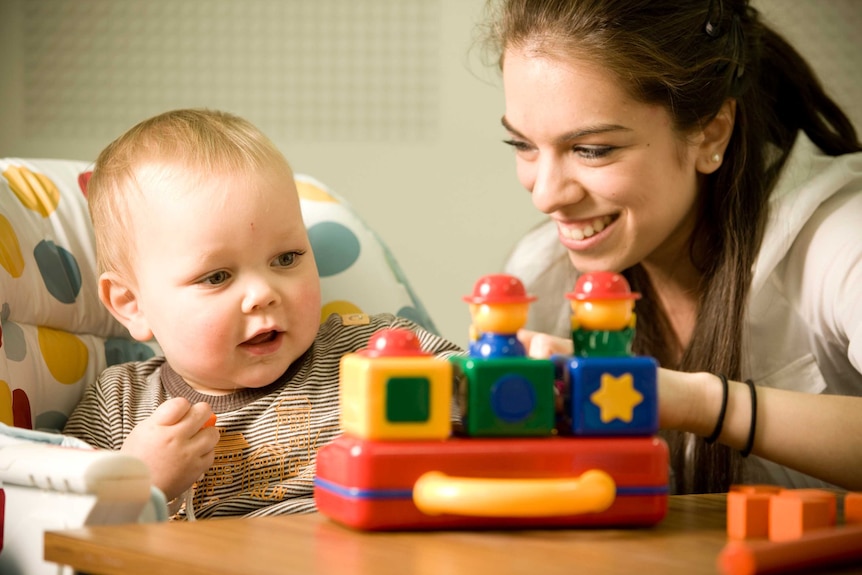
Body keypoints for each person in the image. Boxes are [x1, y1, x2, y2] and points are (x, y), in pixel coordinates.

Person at [480, 0, 862, 493]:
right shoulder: (545, 275)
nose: (546, 195)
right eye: (524, 145)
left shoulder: (843, 239)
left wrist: (701, 403)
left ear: (711, 132)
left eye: (592, 150)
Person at [62, 108, 463, 518]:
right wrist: (138, 482)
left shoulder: (373, 352)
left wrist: (518, 364)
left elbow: (489, 402)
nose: (262, 293)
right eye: (217, 276)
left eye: (286, 258)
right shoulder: (120, 407)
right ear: (132, 304)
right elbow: (62, 529)